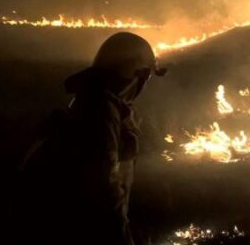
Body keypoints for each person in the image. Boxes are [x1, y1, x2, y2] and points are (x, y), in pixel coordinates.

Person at [20, 32, 166, 244]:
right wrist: (123, 237)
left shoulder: (97, 101)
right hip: (83, 229)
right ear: (135, 75)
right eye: (145, 78)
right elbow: (106, 187)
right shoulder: (101, 112)